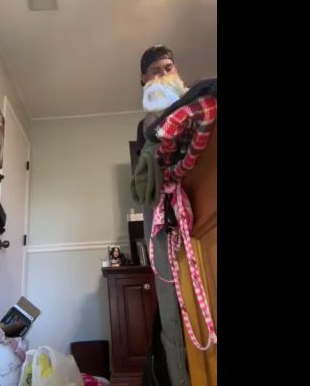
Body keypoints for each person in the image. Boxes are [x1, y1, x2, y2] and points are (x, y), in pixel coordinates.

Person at [134, 45, 191, 386]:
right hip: (163, 216)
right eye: (156, 70)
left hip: (197, 210)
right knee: (170, 302)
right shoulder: (147, 123)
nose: (164, 74)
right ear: (144, 79)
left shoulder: (195, 105)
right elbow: (155, 132)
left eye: (168, 67)